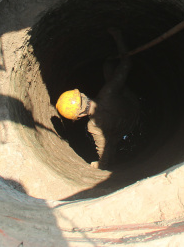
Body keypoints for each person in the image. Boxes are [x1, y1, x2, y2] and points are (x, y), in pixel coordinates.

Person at [55, 28, 140, 169]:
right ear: (82, 95)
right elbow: (126, 63)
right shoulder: (108, 92)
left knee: (110, 142)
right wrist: (118, 37)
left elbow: (104, 152)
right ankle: (117, 33)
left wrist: (99, 165)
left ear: (80, 115)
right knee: (108, 68)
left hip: (124, 129)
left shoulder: (94, 126)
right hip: (133, 106)